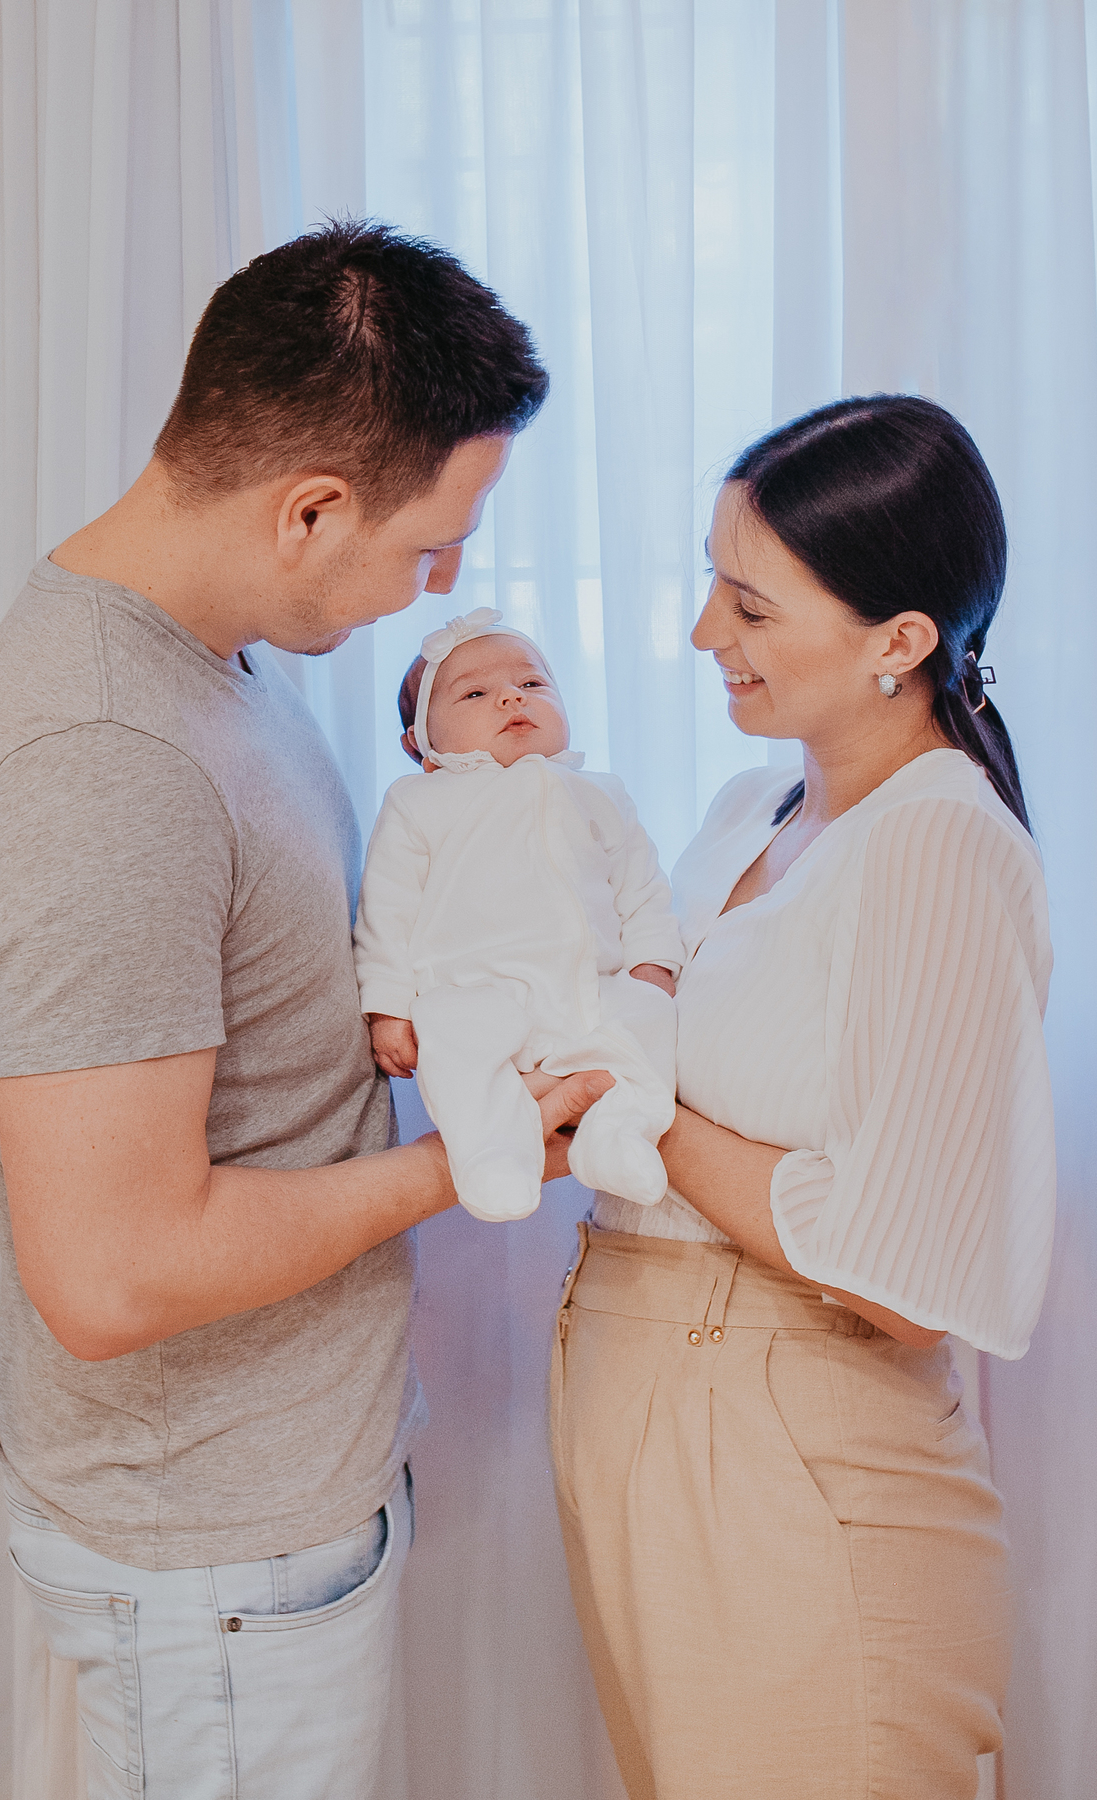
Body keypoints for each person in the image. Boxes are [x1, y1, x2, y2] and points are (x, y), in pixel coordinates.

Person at [0, 221, 609, 1800]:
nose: (440, 585)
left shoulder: (210, 666)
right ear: (310, 510)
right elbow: (112, 1271)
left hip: (266, 1522)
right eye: (430, 542)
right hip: (213, 1564)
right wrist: (475, 1158)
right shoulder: (102, 761)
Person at [550, 395, 1055, 1800]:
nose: (707, 635)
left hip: (794, 1452)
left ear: (900, 642)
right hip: (647, 1403)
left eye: (752, 605)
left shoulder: (941, 852)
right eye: (712, 583)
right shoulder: (748, 817)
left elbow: (899, 1278)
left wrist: (633, 1104)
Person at [354, 606, 683, 1221]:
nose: (511, 697)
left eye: (532, 684)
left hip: (590, 988)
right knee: (457, 1051)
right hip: (475, 989)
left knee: (648, 1024)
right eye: (476, 693)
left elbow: (642, 889)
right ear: (421, 745)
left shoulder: (599, 793)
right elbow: (386, 910)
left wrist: (653, 967)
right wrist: (388, 1006)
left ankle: (620, 1133)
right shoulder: (419, 802)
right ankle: (491, 1158)